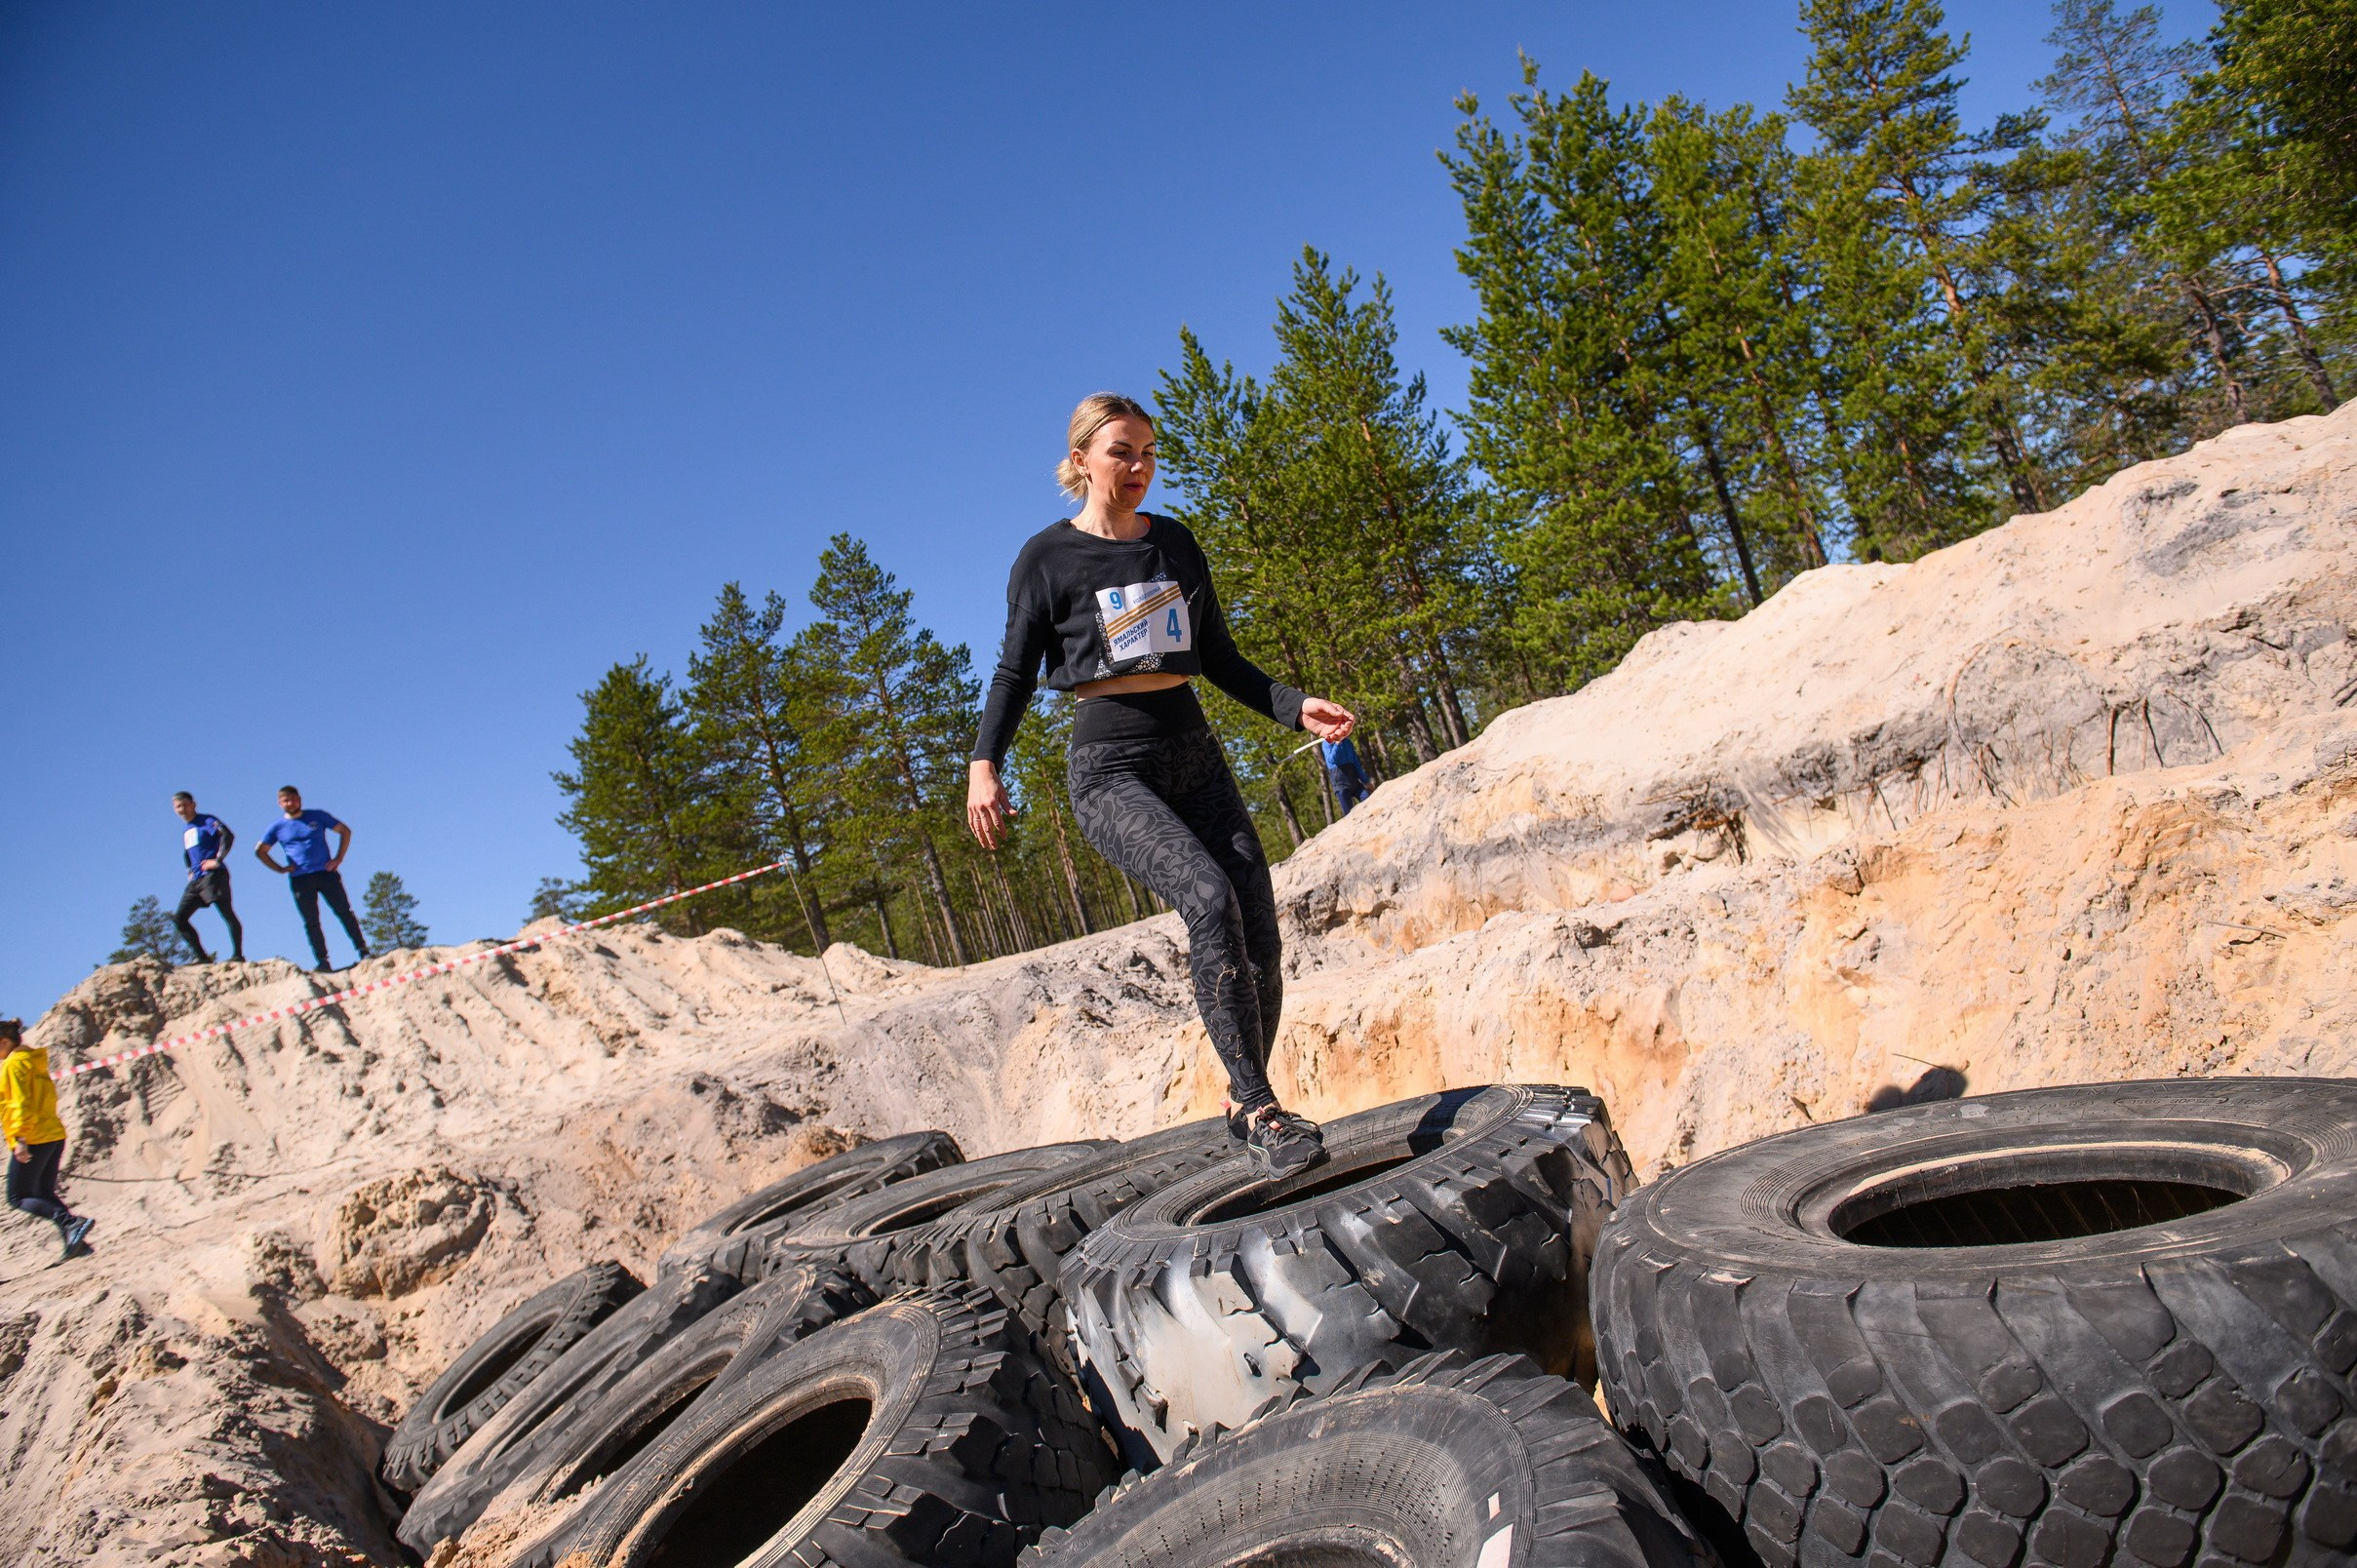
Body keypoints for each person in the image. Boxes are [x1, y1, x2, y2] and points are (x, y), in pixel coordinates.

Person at [967, 393, 1357, 1177]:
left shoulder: (1173, 544)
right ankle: (1259, 1106)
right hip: (1111, 769)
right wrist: (984, 764)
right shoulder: (1047, 559)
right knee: (1206, 899)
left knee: (1259, 930)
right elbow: (1014, 671)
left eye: (1147, 452)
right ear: (1081, 460)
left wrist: (1292, 706)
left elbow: (1215, 654)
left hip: (1196, 756)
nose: (1138, 467)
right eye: (1121, 452)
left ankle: (1241, 1094)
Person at [1, 1019, 94, 1261]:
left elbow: (19, 1104)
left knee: (17, 1196)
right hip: (52, 1133)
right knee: (43, 1191)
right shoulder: (33, 1061)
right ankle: (77, 1243)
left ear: (4, 1042)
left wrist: (19, 1138)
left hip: (32, 1136)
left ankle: (71, 1224)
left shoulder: (12, 1065)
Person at [255, 786, 370, 971]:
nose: (290, 803)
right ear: (280, 803)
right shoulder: (277, 827)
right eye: (286, 801)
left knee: (344, 911)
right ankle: (323, 961)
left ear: (300, 799)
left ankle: (363, 951)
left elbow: (345, 831)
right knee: (311, 921)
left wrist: (339, 858)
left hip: (326, 873)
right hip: (300, 879)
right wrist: (279, 868)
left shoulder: (317, 816)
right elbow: (260, 851)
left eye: (293, 799)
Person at [170, 792, 245, 962]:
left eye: (185, 805)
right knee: (179, 919)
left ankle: (237, 955)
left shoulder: (207, 820)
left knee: (226, 913)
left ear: (193, 805)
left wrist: (217, 860)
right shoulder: (186, 829)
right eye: (178, 807)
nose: (182, 809)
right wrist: (189, 869)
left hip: (213, 876)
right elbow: (188, 852)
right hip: (196, 880)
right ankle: (202, 958)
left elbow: (227, 835)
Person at [1321, 736, 1372, 816]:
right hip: (1340, 784)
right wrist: (1337, 745)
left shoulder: (1348, 742)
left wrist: (1366, 781)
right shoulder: (1326, 744)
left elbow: (1356, 764)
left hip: (1354, 781)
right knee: (1349, 814)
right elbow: (1332, 760)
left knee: (1368, 798)